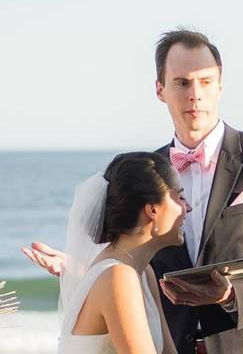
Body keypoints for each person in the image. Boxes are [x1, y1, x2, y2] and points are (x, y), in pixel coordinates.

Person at [24, 30, 243, 354]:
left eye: (205, 81)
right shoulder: (143, 176)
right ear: (160, 89)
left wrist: (232, 294)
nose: (195, 94)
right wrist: (82, 267)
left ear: (221, 86)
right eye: (182, 82)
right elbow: (126, 259)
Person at [57, 151, 189, 354]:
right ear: (152, 210)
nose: (187, 207)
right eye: (180, 197)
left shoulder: (144, 274)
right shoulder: (118, 276)